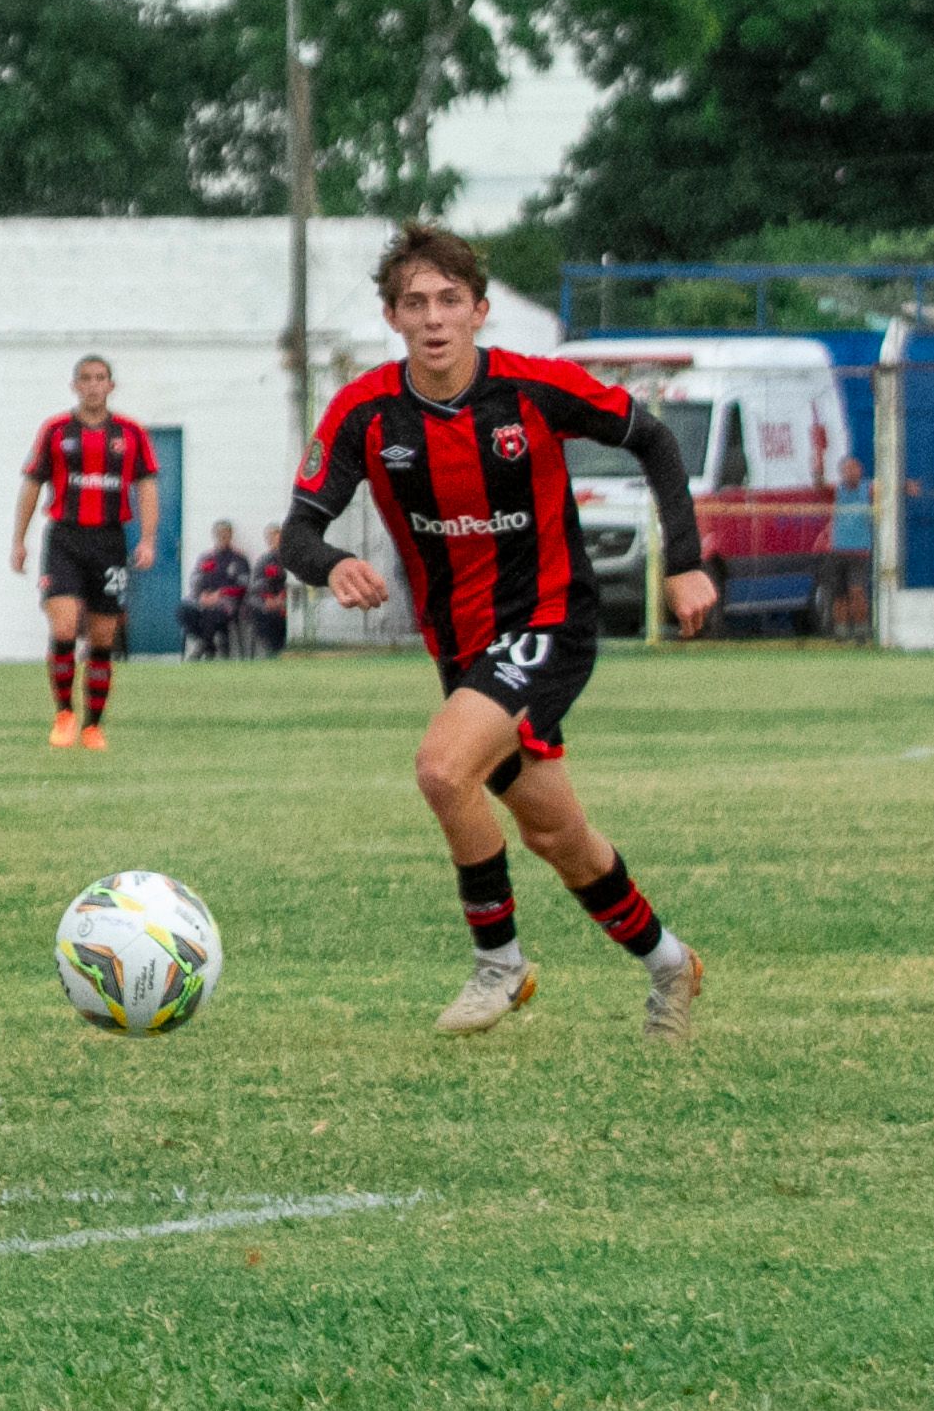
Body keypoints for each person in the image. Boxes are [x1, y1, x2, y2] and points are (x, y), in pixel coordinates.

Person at [280, 223, 717, 1044]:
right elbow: (297, 532)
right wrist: (332, 562)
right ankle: (669, 963)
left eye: (451, 300)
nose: (435, 317)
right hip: (462, 647)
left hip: (549, 620)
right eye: (416, 303)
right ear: (392, 317)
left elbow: (653, 439)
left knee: (444, 770)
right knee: (558, 835)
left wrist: (685, 560)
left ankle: (500, 964)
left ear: (480, 310)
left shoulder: (533, 389)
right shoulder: (364, 411)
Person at [10, 356, 161, 748]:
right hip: (65, 538)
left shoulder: (130, 434)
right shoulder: (56, 431)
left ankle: (93, 725)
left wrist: (147, 539)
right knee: (63, 627)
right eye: (86, 379)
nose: (93, 385)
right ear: (74, 385)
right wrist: (19, 540)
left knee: (102, 639)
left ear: (111, 385)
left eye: (100, 379)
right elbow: (32, 485)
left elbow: (146, 486)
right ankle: (64, 714)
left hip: (109, 541)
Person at [179, 522, 251, 659]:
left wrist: (220, 594)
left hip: (227, 601)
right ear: (214, 535)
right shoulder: (206, 557)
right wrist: (201, 595)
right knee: (184, 609)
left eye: (226, 534)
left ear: (231, 536)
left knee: (213, 613)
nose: (222, 537)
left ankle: (202, 646)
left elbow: (243, 586)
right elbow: (195, 579)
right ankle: (209, 644)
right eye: (219, 534)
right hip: (204, 598)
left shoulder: (239, 559)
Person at [824, 457, 872, 639]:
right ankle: (841, 631)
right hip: (838, 550)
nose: (852, 473)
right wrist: (819, 456)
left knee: (857, 590)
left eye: (855, 469)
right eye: (847, 469)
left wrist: (906, 486)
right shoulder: (837, 490)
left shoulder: (868, 489)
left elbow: (892, 487)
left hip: (859, 550)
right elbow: (819, 485)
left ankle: (861, 629)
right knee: (839, 594)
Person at [248, 549, 289, 655]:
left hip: (286, 605)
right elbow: (255, 593)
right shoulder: (264, 561)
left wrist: (282, 600)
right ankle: (272, 651)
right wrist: (266, 602)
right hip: (266, 607)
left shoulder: (295, 560)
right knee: (265, 614)